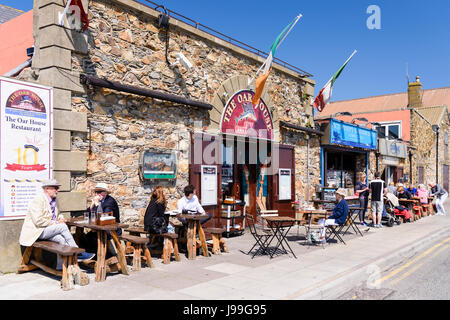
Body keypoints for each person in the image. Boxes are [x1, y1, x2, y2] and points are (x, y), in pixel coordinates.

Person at [19, 179, 95, 269]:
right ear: (46, 189)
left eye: (57, 188)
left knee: (61, 239)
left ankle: (61, 267)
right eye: (55, 188)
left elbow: (57, 214)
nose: (57, 190)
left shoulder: (54, 200)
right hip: (36, 232)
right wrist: (56, 222)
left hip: (47, 230)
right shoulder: (38, 201)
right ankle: (78, 252)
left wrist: (61, 218)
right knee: (62, 227)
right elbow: (38, 221)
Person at [80, 183, 121, 256]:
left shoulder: (110, 201)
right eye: (96, 192)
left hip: (111, 229)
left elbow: (104, 217)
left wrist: (97, 204)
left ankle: (102, 257)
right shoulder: (99, 201)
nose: (97, 194)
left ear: (105, 193)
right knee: (83, 237)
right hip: (100, 228)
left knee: (94, 238)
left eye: (99, 192)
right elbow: (86, 215)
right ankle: (90, 256)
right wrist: (91, 206)